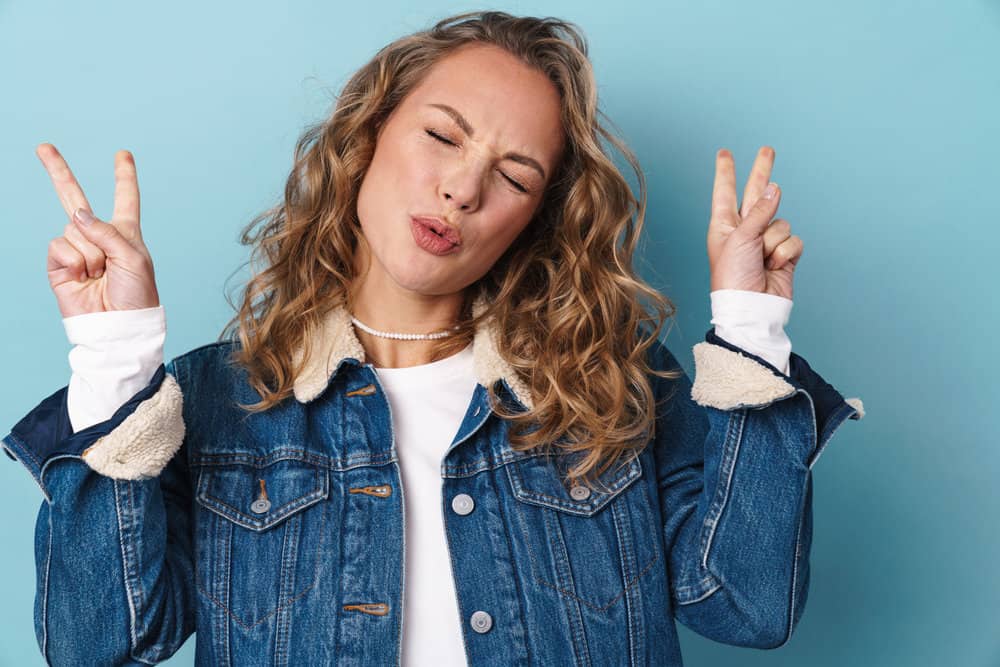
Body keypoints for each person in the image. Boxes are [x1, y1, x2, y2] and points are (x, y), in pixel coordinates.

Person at [3, 10, 864, 667]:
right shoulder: (219, 402)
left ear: (536, 217)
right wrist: (115, 361)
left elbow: (746, 605)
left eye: (514, 174)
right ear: (369, 132)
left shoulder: (617, 382)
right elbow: (99, 644)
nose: (461, 188)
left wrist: (752, 333)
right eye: (443, 135)